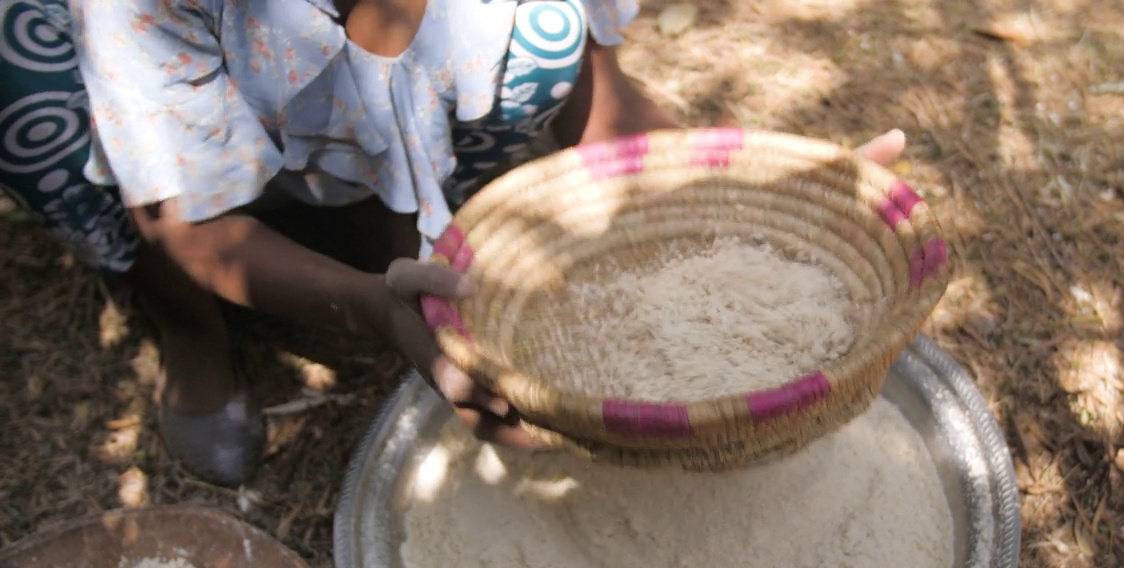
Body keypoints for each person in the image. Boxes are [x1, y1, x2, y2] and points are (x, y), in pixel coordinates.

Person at [1, 0, 907, 487]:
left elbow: (601, 98)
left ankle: (376, 211)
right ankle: (190, 330)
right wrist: (363, 308)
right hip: (166, 128)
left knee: (542, 42)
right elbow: (186, 221)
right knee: (33, 107)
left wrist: (739, 200)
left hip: (338, 109)